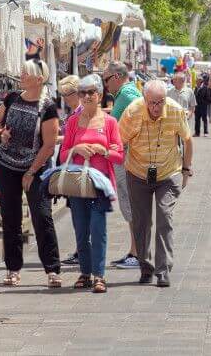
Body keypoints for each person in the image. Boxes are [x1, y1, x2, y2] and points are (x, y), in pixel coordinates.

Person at [0, 59, 63, 288]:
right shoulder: (11, 98)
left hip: (36, 168)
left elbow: (49, 145)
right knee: (10, 218)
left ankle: (52, 269)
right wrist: (1, 133)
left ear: (39, 79)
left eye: (26, 73)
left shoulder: (48, 107)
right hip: (6, 165)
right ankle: (12, 268)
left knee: (42, 217)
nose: (21, 75)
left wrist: (31, 172)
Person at [119, 80, 194, 287]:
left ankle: (163, 270)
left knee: (164, 215)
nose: (156, 107)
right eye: (152, 103)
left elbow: (187, 140)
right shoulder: (132, 112)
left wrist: (186, 170)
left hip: (169, 173)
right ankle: (146, 266)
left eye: (160, 102)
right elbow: (119, 141)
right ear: (144, 100)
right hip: (137, 172)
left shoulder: (175, 110)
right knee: (141, 222)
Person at [60, 75, 124, 293]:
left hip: (100, 183)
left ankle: (99, 275)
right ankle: (85, 272)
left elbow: (119, 155)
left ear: (99, 95)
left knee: (98, 229)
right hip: (77, 183)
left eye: (91, 92)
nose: (86, 97)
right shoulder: (72, 122)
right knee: (80, 229)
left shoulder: (109, 122)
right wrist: (76, 149)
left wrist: (103, 150)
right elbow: (62, 155)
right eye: (82, 93)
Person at [102, 61, 142, 270]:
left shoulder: (127, 94)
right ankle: (135, 251)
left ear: (116, 77)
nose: (105, 84)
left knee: (131, 204)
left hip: (128, 158)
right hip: (126, 157)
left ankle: (138, 253)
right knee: (129, 204)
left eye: (106, 79)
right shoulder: (124, 95)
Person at [56, 74, 83, 268]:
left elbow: (75, 140)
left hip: (77, 167)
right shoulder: (74, 111)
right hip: (71, 166)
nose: (64, 98)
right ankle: (81, 249)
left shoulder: (80, 113)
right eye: (63, 94)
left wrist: (56, 139)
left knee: (79, 212)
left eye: (67, 94)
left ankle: (82, 250)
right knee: (76, 210)